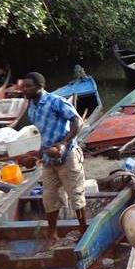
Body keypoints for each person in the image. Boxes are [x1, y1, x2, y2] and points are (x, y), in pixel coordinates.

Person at [18, 72, 87, 241]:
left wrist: (63, 143)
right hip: (49, 159)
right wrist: (36, 156)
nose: (24, 90)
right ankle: (52, 232)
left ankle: (84, 231)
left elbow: (77, 121)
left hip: (67, 154)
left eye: (28, 86)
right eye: (23, 87)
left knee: (75, 194)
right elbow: (42, 137)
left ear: (39, 87)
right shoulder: (31, 107)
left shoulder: (55, 101)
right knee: (49, 197)